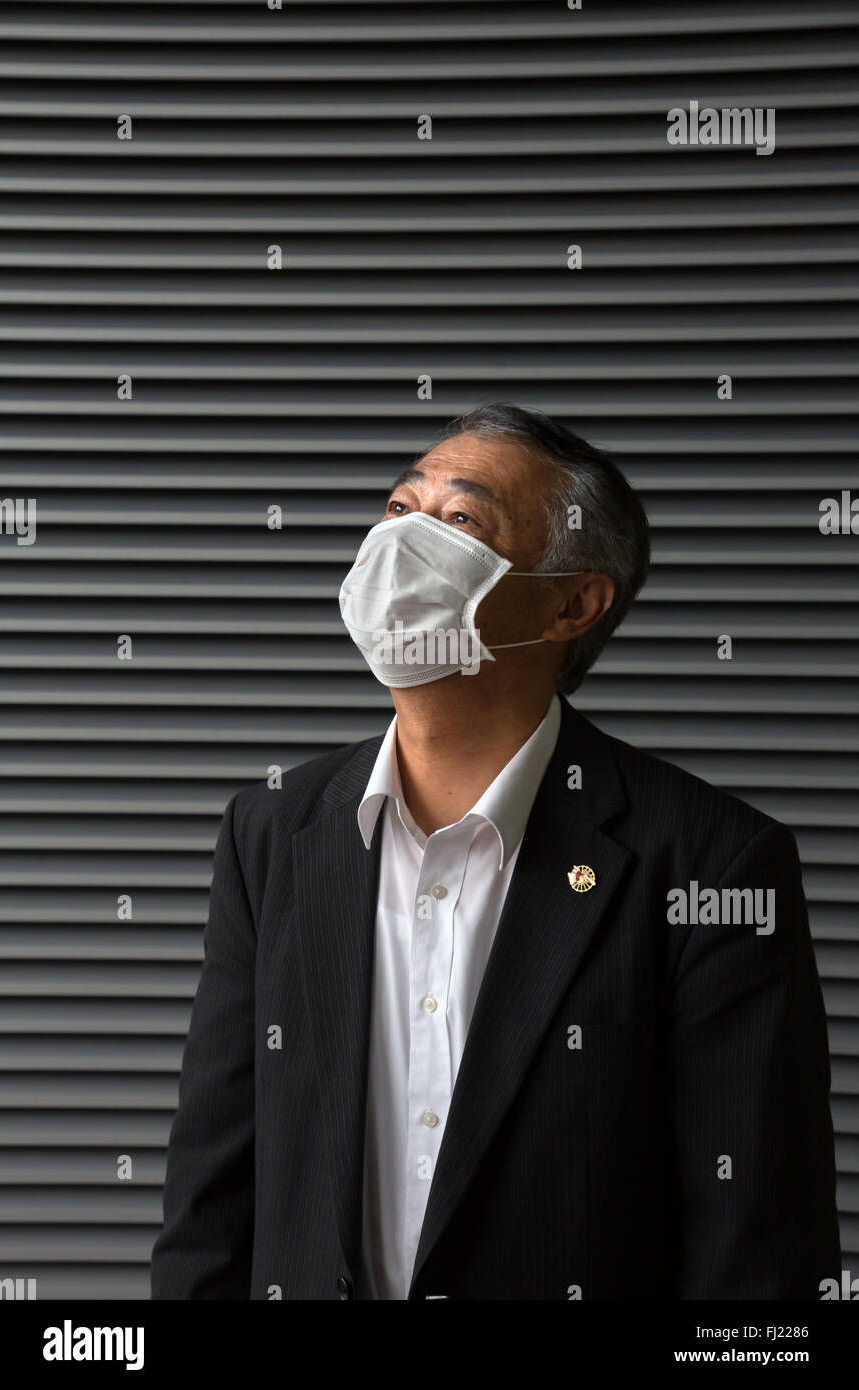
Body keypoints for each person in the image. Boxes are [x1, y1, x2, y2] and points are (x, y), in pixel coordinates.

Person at [150, 401, 839, 1300]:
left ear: (571, 602)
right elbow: (211, 1201)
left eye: (460, 519)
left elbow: (758, 1250)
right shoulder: (272, 833)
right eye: (400, 509)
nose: (402, 542)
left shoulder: (712, 864)